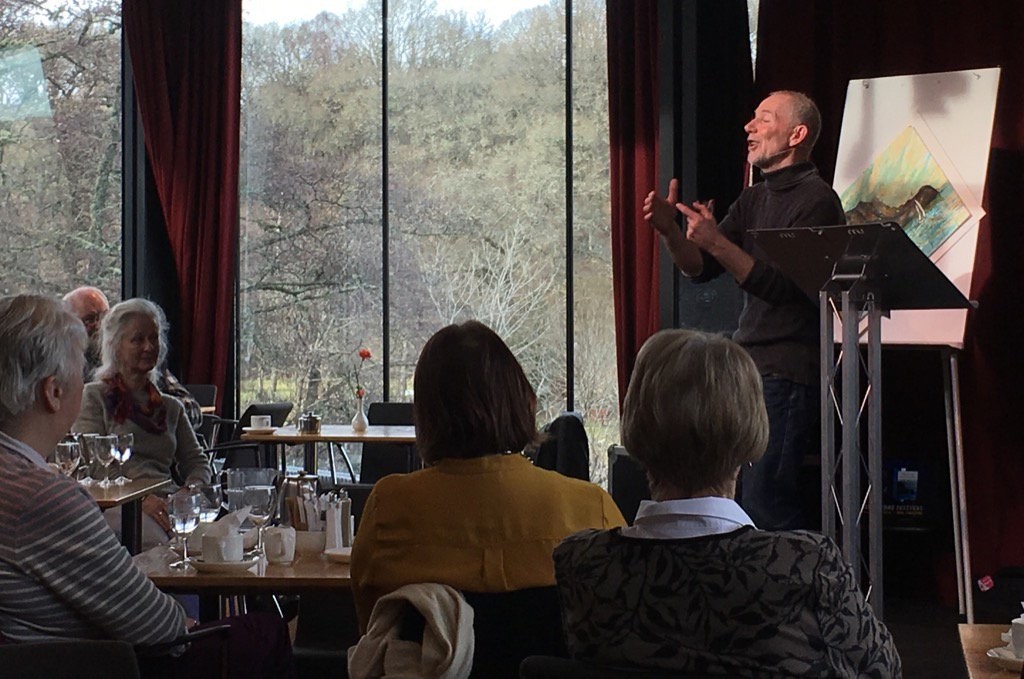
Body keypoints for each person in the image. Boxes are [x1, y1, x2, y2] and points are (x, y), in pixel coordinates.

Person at [554, 329, 901, 677]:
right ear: (748, 431)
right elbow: (883, 672)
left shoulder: (582, 564)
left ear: (636, 429)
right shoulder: (807, 565)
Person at [0, 294, 294, 677]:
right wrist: (181, 621)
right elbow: (157, 628)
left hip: (40, 656)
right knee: (266, 631)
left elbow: (196, 463)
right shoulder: (44, 497)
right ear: (54, 392)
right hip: (95, 664)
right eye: (77, 369)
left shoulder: (21, 479)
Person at [642, 90, 846, 530]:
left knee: (766, 500)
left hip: (788, 372)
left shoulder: (817, 201)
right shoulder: (754, 198)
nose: (749, 127)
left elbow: (785, 288)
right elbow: (701, 268)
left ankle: (791, 589)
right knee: (742, 497)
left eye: (763, 119)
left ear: (796, 134)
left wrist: (715, 239)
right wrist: (670, 232)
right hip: (749, 367)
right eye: (752, 118)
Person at [350, 320, 626, 631]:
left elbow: (370, 628)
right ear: (519, 399)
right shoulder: (592, 510)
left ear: (426, 413)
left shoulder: (388, 509)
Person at [72, 297, 211, 546]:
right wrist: (141, 501)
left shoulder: (170, 407)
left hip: (170, 504)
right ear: (115, 346)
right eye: (137, 339)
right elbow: (91, 465)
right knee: (163, 547)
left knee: (225, 543)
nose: (148, 347)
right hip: (119, 506)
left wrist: (190, 491)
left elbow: (197, 462)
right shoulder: (93, 397)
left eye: (153, 338)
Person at [63, 286, 203, 429]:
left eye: (105, 316)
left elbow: (192, 410)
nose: (100, 325)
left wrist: (154, 411)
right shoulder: (69, 370)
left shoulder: (148, 363)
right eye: (90, 319)